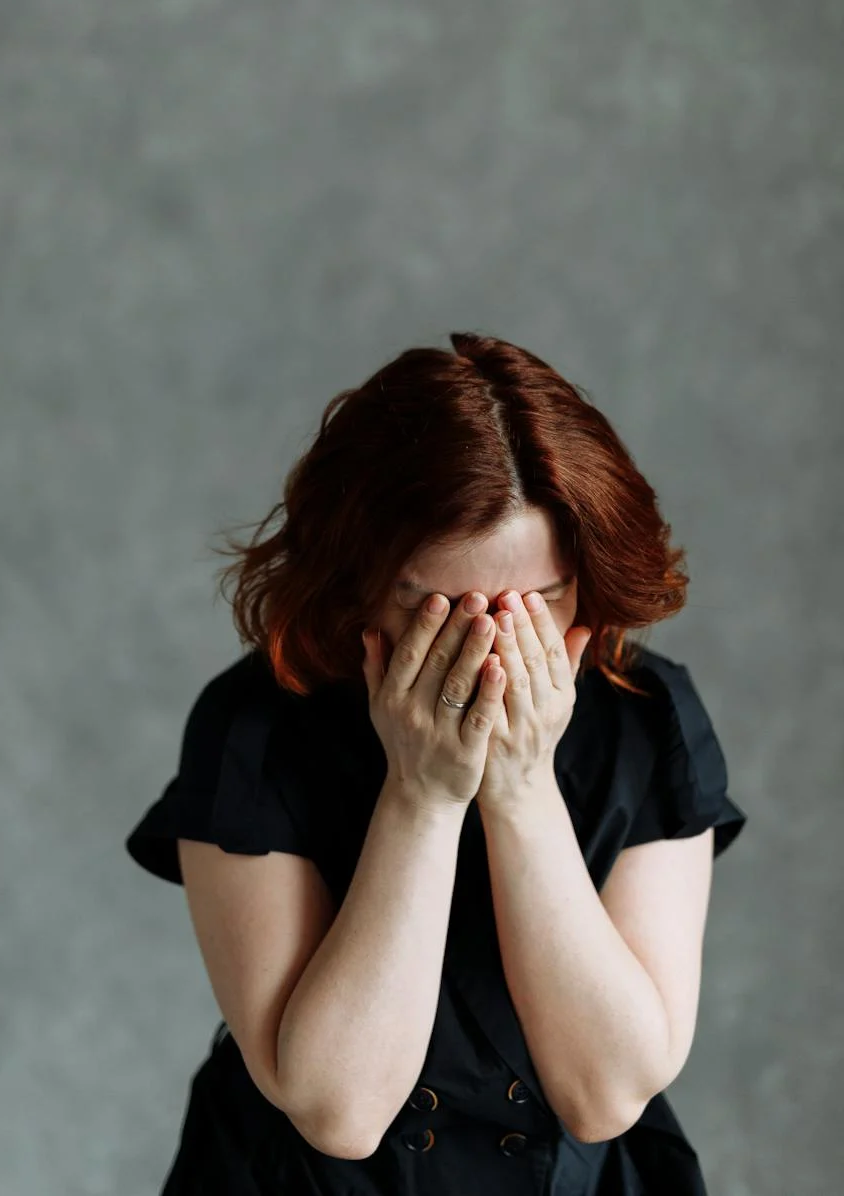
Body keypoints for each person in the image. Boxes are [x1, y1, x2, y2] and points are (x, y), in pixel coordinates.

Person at [124, 330, 747, 1195]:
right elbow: (337, 1109)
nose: (489, 648)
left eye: (535, 605)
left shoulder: (647, 720)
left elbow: (606, 1093)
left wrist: (521, 788)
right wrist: (421, 794)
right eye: (440, 607)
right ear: (360, 584)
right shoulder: (254, 727)